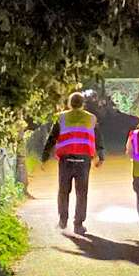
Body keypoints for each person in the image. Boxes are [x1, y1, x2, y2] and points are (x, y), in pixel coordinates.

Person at [41, 92, 103, 233]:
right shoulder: (91, 118)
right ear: (82, 104)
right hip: (83, 159)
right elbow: (98, 138)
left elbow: (52, 138)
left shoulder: (61, 118)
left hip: (66, 160)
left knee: (63, 191)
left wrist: (44, 158)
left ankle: (63, 221)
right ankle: (78, 224)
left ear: (69, 103)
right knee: (82, 193)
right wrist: (101, 156)